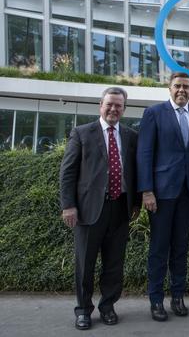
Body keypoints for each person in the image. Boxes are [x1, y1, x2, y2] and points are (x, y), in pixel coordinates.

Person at [59, 87, 139, 330]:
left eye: (119, 105)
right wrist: (69, 206)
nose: (114, 109)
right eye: (110, 104)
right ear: (100, 106)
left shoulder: (130, 136)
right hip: (88, 210)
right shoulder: (82, 133)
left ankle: (107, 306)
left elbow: (135, 172)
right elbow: (68, 172)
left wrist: (135, 202)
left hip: (120, 207)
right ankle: (83, 310)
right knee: (85, 264)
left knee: (114, 263)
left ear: (124, 109)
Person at [137, 72, 189, 321]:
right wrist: (147, 190)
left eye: (186, 87)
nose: (181, 90)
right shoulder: (154, 113)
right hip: (161, 194)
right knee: (159, 249)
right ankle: (156, 300)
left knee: (181, 248)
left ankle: (178, 297)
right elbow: (144, 153)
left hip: (188, 195)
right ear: (169, 88)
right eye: (177, 86)